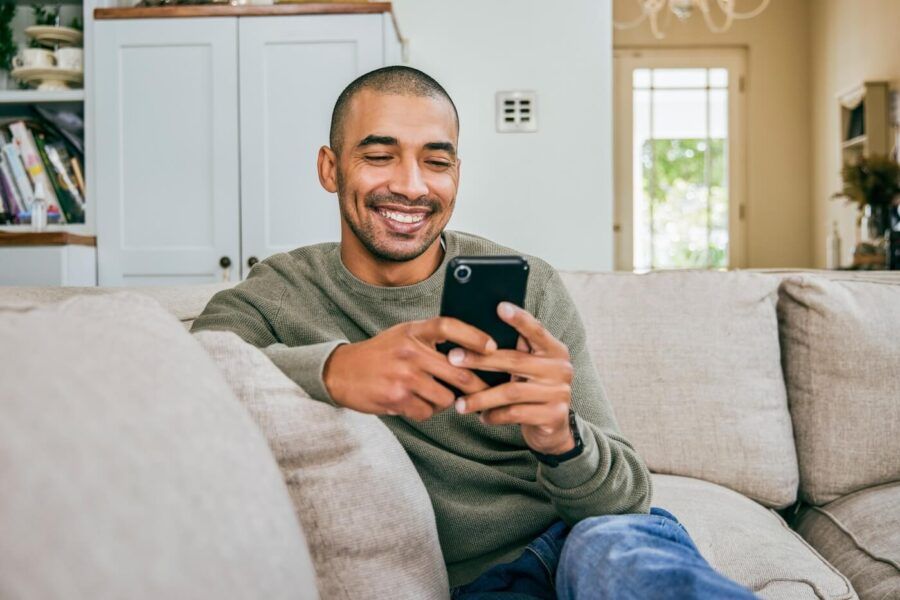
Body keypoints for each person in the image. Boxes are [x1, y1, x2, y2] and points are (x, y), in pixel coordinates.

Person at [192, 66, 758, 599]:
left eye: (436, 162)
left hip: (585, 540)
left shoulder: (530, 286)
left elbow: (628, 501)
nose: (412, 187)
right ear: (330, 168)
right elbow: (186, 371)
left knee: (615, 553)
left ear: (456, 173)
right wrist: (336, 369)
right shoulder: (282, 291)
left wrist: (561, 437)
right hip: (486, 582)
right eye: (380, 156)